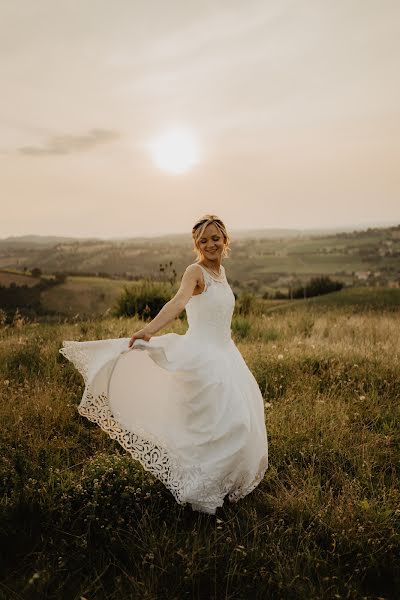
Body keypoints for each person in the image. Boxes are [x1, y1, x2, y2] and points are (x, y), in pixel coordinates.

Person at [59, 214, 268, 514]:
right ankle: (203, 488)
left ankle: (224, 483)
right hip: (202, 355)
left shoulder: (222, 273)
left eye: (215, 238)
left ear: (225, 240)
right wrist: (150, 330)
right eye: (204, 240)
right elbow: (178, 302)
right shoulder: (194, 272)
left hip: (226, 354)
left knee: (237, 420)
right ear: (197, 244)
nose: (210, 244)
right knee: (219, 423)